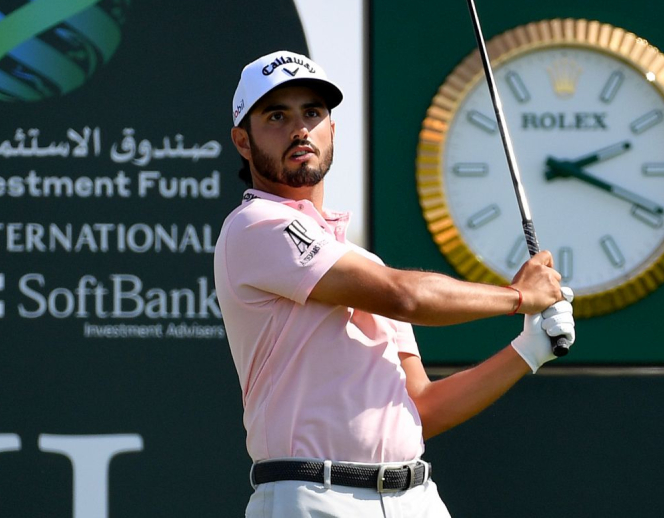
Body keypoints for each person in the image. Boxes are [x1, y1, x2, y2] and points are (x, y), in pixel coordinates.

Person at [214, 50, 575, 517]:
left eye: (313, 113)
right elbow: (405, 296)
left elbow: (421, 407)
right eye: (277, 116)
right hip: (313, 497)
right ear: (243, 141)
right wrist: (520, 297)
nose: (300, 129)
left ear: (332, 130)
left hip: (416, 498)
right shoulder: (254, 226)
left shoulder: (361, 262)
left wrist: (529, 350)